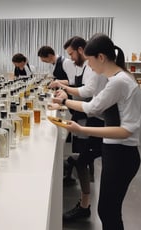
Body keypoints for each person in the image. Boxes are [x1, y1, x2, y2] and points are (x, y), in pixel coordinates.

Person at [53, 33, 141, 230]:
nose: (89, 66)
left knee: (108, 212)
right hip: (118, 154)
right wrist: (65, 101)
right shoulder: (120, 78)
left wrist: (81, 128)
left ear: (101, 57)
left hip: (122, 155)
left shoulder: (119, 81)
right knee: (108, 211)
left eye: (90, 61)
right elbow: (96, 107)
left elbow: (126, 130)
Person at [49, 36, 107, 221]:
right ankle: (84, 201)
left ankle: (84, 206)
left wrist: (65, 100)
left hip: (94, 120)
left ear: (82, 50)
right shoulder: (86, 66)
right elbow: (82, 90)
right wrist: (64, 93)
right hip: (87, 117)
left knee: (81, 159)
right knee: (80, 158)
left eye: (72, 53)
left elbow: (88, 93)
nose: (71, 58)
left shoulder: (94, 69)